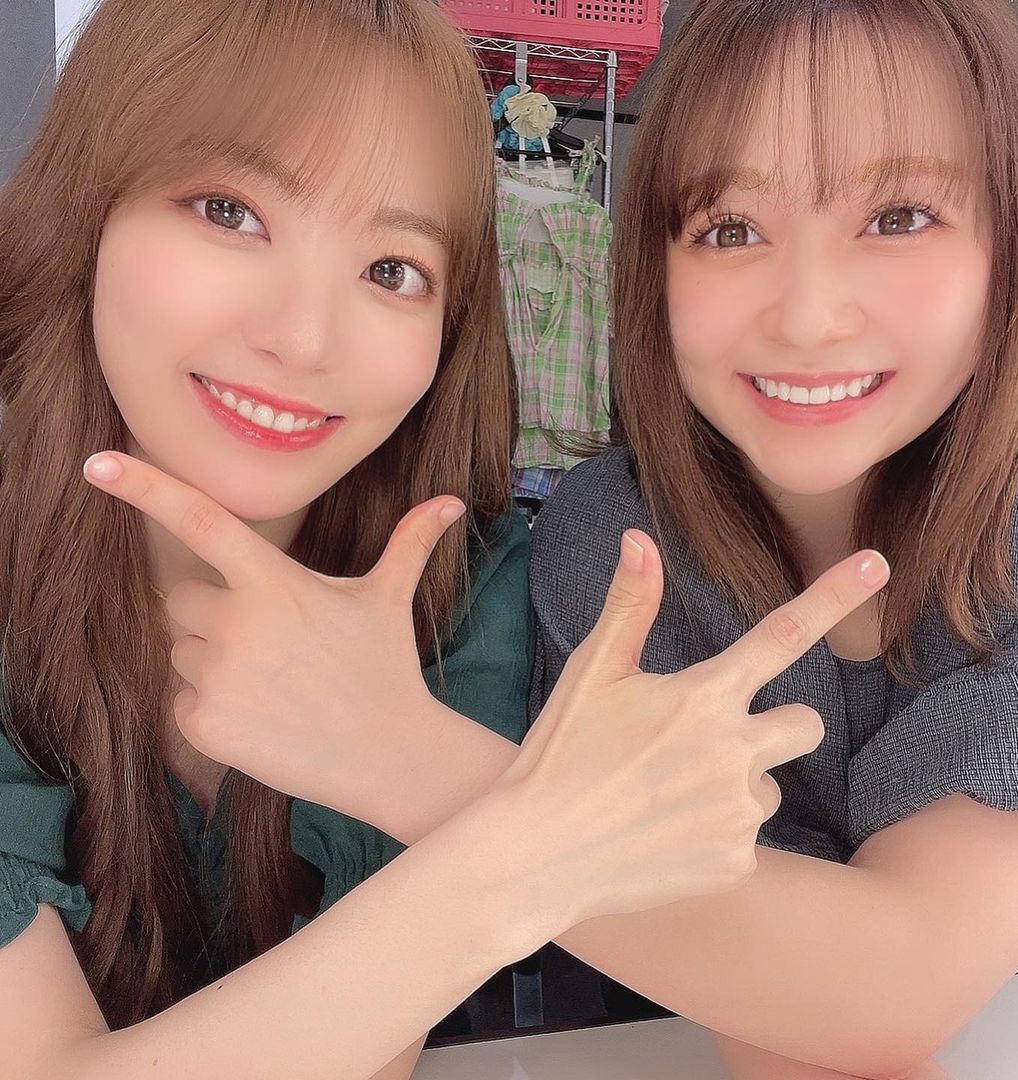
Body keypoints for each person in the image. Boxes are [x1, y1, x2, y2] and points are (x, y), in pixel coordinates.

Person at [0, 0, 850, 1076]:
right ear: (88, 208)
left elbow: (371, 1055)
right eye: (229, 211)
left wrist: (398, 753)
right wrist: (544, 847)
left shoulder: (461, 585)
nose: (304, 338)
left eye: (392, 270)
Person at [525, 0, 1018, 1076]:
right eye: (731, 229)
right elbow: (800, 1010)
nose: (808, 316)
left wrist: (390, 753)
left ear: (1015, 248)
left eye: (900, 217)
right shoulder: (615, 540)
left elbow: (878, 992)